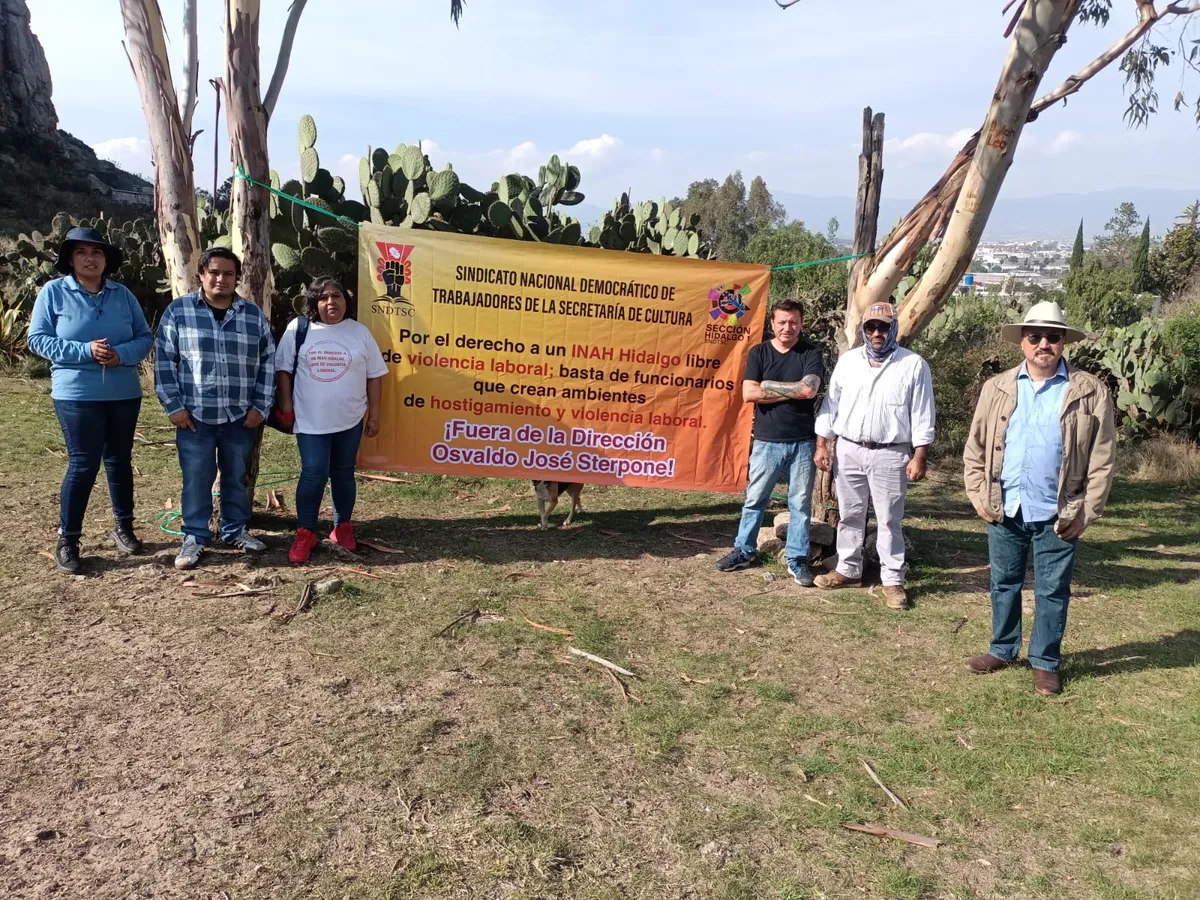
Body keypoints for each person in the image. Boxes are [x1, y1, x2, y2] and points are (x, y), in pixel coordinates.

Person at [962, 301, 1115, 695]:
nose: (1043, 343)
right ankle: (1002, 649)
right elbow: (975, 447)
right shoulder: (997, 387)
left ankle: (1045, 661)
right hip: (1005, 505)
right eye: (1035, 336)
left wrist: (1088, 511)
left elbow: (1102, 458)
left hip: (1060, 511)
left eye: (1052, 336)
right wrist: (978, 494)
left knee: (1052, 590)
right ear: (1023, 342)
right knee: (1004, 582)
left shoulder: (1089, 391)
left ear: (1064, 342)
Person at [27, 226, 153, 574]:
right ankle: (68, 539)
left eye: (97, 252)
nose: (90, 258)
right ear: (70, 259)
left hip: (124, 393)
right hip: (76, 393)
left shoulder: (122, 295)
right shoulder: (54, 292)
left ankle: (123, 526)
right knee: (83, 464)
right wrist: (85, 351)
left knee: (119, 461)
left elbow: (144, 337)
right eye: (81, 252)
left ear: (106, 260)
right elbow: (37, 340)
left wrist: (121, 355)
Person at [154, 247, 276, 570]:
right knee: (197, 478)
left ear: (237, 278)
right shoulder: (179, 312)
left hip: (240, 417)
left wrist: (261, 406)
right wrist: (174, 407)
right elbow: (165, 361)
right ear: (202, 276)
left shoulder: (253, 316)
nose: (221, 279)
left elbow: (268, 362)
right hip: (195, 417)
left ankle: (235, 530)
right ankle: (195, 536)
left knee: (236, 476)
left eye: (229, 273)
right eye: (215, 273)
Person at [812, 302, 935, 609]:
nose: (877, 333)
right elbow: (831, 405)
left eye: (883, 327)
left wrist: (919, 455)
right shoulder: (849, 362)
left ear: (894, 329)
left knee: (889, 519)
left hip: (890, 453)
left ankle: (892, 580)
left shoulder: (913, 365)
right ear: (864, 330)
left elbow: (923, 413)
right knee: (850, 514)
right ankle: (848, 569)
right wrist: (822, 444)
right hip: (849, 448)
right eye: (871, 327)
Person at [273, 277, 388, 564]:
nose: (330, 302)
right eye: (323, 298)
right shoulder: (299, 329)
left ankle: (342, 527)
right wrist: (286, 404)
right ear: (314, 302)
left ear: (346, 301)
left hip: (350, 419)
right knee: (313, 473)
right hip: (310, 420)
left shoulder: (359, 332)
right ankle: (305, 532)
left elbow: (374, 376)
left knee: (344, 473)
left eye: (336, 296)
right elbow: (283, 369)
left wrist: (374, 414)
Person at [715, 298, 824, 586]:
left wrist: (768, 386)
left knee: (800, 504)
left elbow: (809, 390)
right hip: (767, 441)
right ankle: (744, 550)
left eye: (793, 322)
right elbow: (749, 393)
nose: (788, 327)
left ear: (801, 323)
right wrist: (792, 389)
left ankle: (797, 559)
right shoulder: (759, 353)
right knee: (755, 500)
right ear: (772, 323)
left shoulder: (811, 352)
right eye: (782, 322)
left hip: (803, 442)